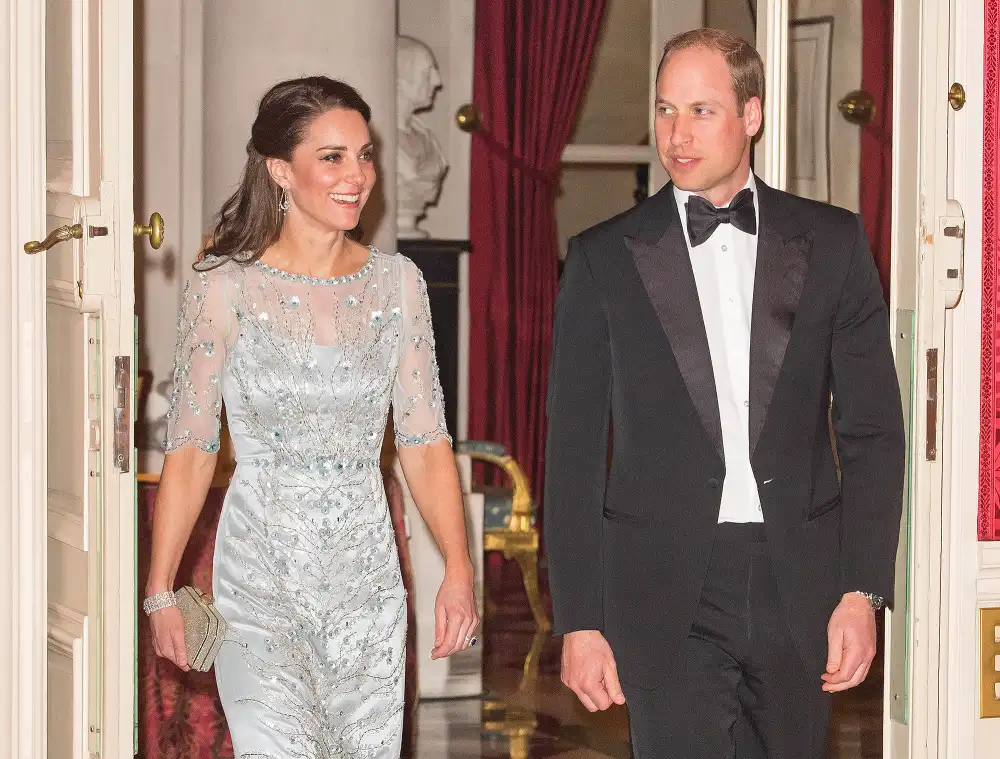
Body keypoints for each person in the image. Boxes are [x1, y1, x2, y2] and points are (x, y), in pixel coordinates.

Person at [543, 28, 904, 759]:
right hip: (662, 590)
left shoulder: (832, 244)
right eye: (666, 110)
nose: (677, 134)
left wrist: (862, 591)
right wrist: (579, 618)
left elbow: (872, 430)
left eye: (702, 111)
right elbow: (574, 452)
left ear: (752, 114)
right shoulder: (602, 258)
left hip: (799, 581)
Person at [143, 76, 478, 759]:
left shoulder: (399, 285)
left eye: (364, 153)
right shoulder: (223, 285)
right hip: (259, 578)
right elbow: (191, 449)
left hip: (366, 580)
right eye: (332, 156)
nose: (358, 175)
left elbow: (423, 440)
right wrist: (159, 588)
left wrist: (459, 566)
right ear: (279, 169)